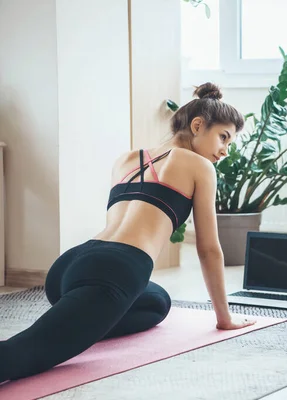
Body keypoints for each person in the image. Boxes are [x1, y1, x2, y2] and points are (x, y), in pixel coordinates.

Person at [0, 83, 256, 383]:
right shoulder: (199, 166)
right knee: (26, 353)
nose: (225, 150)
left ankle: (82, 321)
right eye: (223, 137)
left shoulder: (125, 159)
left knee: (157, 302)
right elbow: (208, 248)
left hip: (70, 267)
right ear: (198, 126)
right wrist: (224, 319)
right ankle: (77, 325)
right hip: (113, 274)